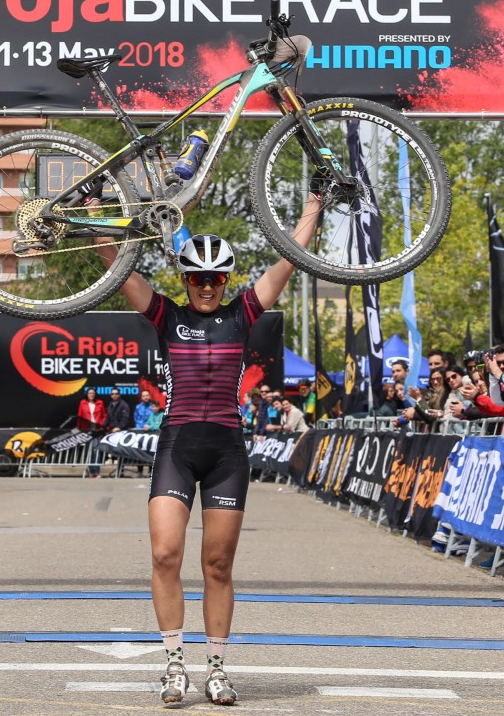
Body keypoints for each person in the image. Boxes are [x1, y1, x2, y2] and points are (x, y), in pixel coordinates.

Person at [97, 201, 319, 707]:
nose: (205, 285)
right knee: (164, 554)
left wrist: (313, 205)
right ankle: (174, 665)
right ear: (185, 279)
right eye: (196, 276)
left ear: (226, 280)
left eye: (215, 278)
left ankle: (216, 668)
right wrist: (97, 214)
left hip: (226, 454)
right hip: (177, 446)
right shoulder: (166, 314)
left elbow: (289, 257)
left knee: (217, 565)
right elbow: (117, 266)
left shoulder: (242, 313)